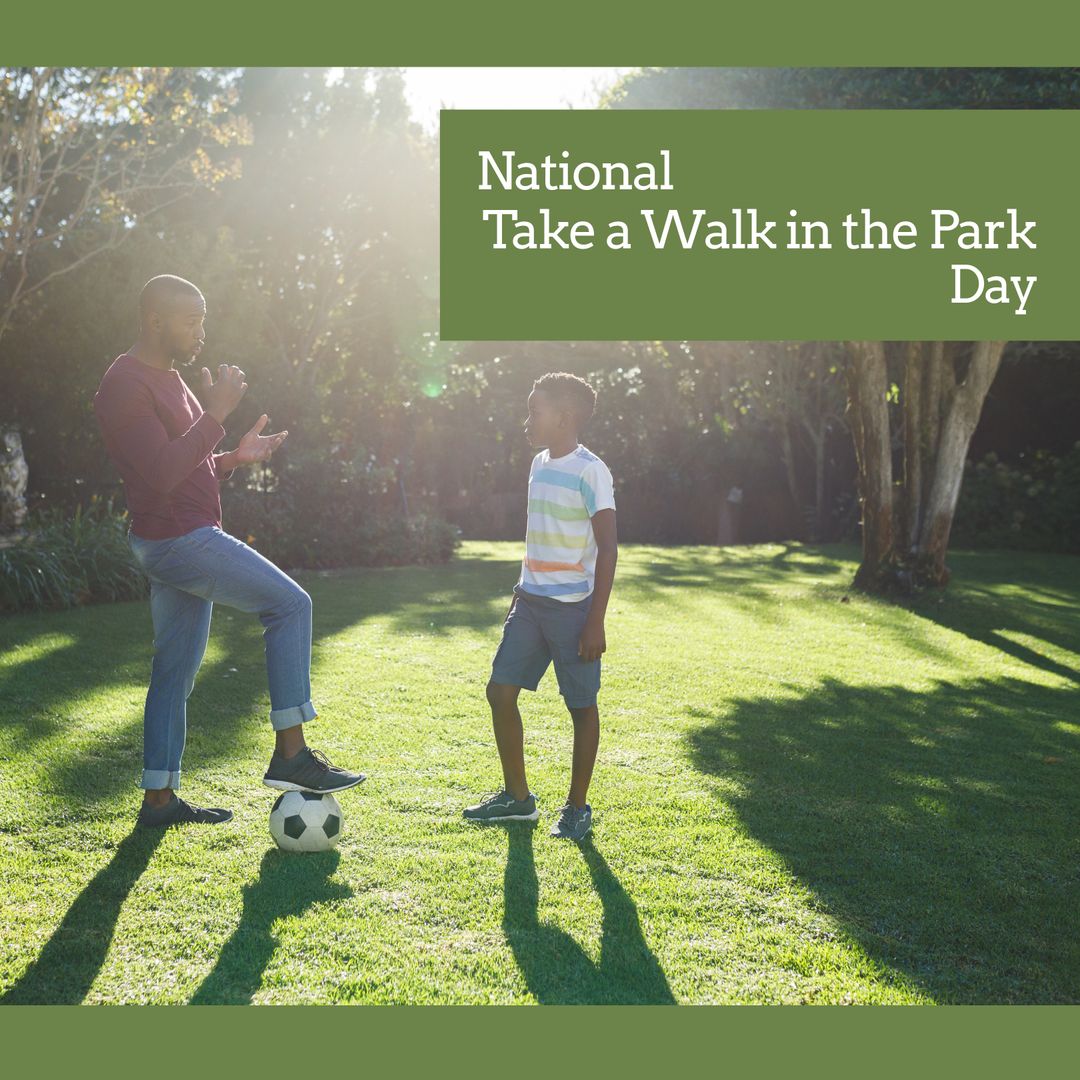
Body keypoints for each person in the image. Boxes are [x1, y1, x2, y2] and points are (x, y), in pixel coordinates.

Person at [94, 275, 365, 827]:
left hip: (176, 535)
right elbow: (163, 473)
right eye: (190, 320)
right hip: (178, 538)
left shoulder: (170, 379)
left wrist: (234, 458)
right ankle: (292, 753)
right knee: (290, 605)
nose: (200, 331)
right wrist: (216, 414)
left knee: (174, 672)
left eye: (202, 319)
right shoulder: (125, 384)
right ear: (155, 321)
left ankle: (159, 800)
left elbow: (187, 464)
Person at [464, 372, 617, 841]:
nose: (526, 419)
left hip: (574, 612)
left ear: (564, 417)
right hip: (529, 602)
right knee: (499, 691)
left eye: (535, 411)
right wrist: (521, 585)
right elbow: (540, 531)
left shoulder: (592, 471)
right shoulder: (536, 463)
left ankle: (576, 809)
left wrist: (596, 621)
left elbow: (608, 549)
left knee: (581, 706)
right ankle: (518, 799)